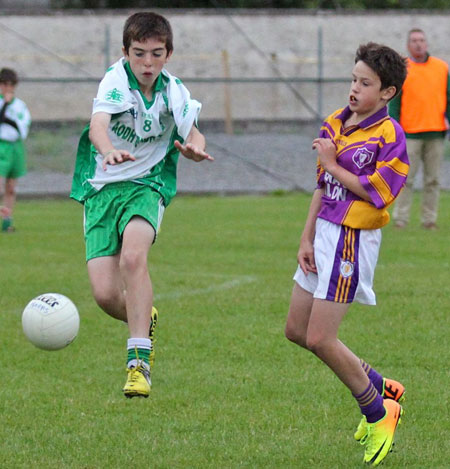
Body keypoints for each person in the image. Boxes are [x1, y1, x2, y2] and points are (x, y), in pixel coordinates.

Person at [70, 12, 213, 399]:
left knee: (133, 259)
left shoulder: (174, 90)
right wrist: (109, 150)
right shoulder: (116, 80)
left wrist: (196, 146)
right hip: (102, 187)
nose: (147, 63)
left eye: (156, 54)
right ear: (125, 52)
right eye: (139, 54)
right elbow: (98, 124)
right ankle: (142, 314)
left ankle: (139, 364)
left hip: (148, 183)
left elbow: (192, 129)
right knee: (104, 294)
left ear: (168, 54)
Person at [284, 43, 409, 466]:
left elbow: (379, 193)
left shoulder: (390, 135)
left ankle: (379, 411)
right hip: (321, 233)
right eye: (353, 79)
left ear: (387, 92)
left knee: (321, 337)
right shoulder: (336, 121)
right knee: (296, 330)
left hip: (350, 238)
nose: (354, 89)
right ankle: (380, 384)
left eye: (365, 83)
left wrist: (335, 164)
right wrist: (304, 238)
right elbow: (322, 185)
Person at [390, 28, 450, 230]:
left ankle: (429, 220)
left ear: (427, 43)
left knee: (432, 180)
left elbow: (448, 98)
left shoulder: (441, 68)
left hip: (436, 132)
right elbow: (395, 102)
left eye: (421, 40)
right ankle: (401, 219)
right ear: (408, 45)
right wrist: (395, 129)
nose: (418, 44)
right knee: (406, 179)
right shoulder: (403, 69)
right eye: (414, 40)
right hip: (410, 134)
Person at [0, 68, 31, 232]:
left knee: (11, 187)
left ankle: (7, 221)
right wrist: (5, 103)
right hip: (1, 145)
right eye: (4, 84)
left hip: (15, 147)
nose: (8, 88)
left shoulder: (20, 106)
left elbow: (22, 125)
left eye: (11, 85)